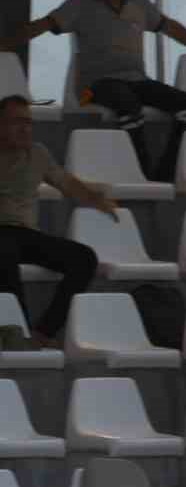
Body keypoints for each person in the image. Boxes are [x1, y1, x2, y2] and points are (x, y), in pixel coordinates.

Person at [1, 0, 186, 181]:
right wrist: (5, 44)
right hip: (89, 89)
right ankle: (142, 173)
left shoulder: (138, 1)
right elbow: (42, 25)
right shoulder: (80, 2)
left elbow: (170, 27)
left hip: (136, 81)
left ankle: (166, 173)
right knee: (128, 104)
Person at [0, 93, 118, 345]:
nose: (24, 128)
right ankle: (15, 331)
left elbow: (65, 182)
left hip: (25, 234)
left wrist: (97, 200)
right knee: (4, 253)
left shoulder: (38, 154)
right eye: (16, 122)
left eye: (28, 122)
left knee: (84, 258)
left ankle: (43, 332)